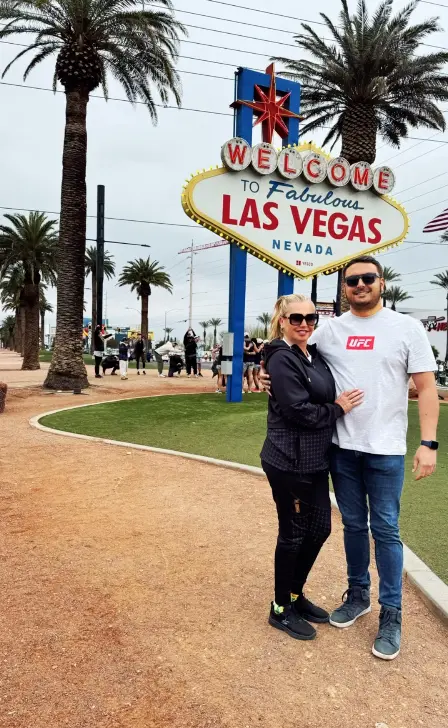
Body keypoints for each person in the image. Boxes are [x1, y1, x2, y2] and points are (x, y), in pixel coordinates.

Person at [260, 255, 439, 660]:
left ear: (381, 283)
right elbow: (286, 347)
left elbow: (426, 388)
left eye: (367, 278)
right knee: (353, 526)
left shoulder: (406, 328)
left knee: (387, 530)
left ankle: (391, 613)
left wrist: (428, 444)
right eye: (352, 279)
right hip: (340, 449)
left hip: (386, 450)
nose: (360, 284)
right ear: (343, 288)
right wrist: (264, 368)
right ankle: (358, 595)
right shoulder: (330, 330)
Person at [262, 294, 363, 641]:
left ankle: (294, 594)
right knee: (292, 534)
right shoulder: (280, 358)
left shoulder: (312, 353)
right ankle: (280, 608)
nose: (304, 323)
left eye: (310, 317)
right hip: (288, 460)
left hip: (315, 459)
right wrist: (337, 408)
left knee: (320, 529)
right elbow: (298, 411)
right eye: (296, 318)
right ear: (283, 320)